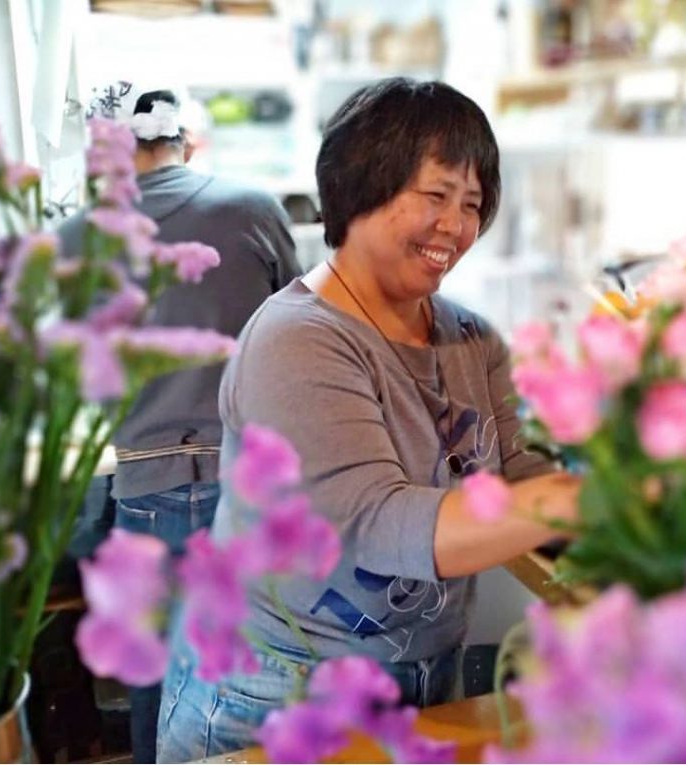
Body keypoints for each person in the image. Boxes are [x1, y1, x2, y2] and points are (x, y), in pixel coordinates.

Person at [156, 78, 579, 762]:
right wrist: (587, 498)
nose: (458, 225)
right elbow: (379, 525)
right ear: (361, 185)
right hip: (273, 696)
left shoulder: (471, 337)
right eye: (436, 196)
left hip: (418, 681)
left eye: (472, 203)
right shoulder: (297, 340)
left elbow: (513, 469)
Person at [59, 82, 302, 763]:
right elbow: (304, 333)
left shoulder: (76, 237)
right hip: (249, 492)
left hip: (143, 493)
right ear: (186, 142)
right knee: (258, 678)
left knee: (155, 687)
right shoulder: (254, 207)